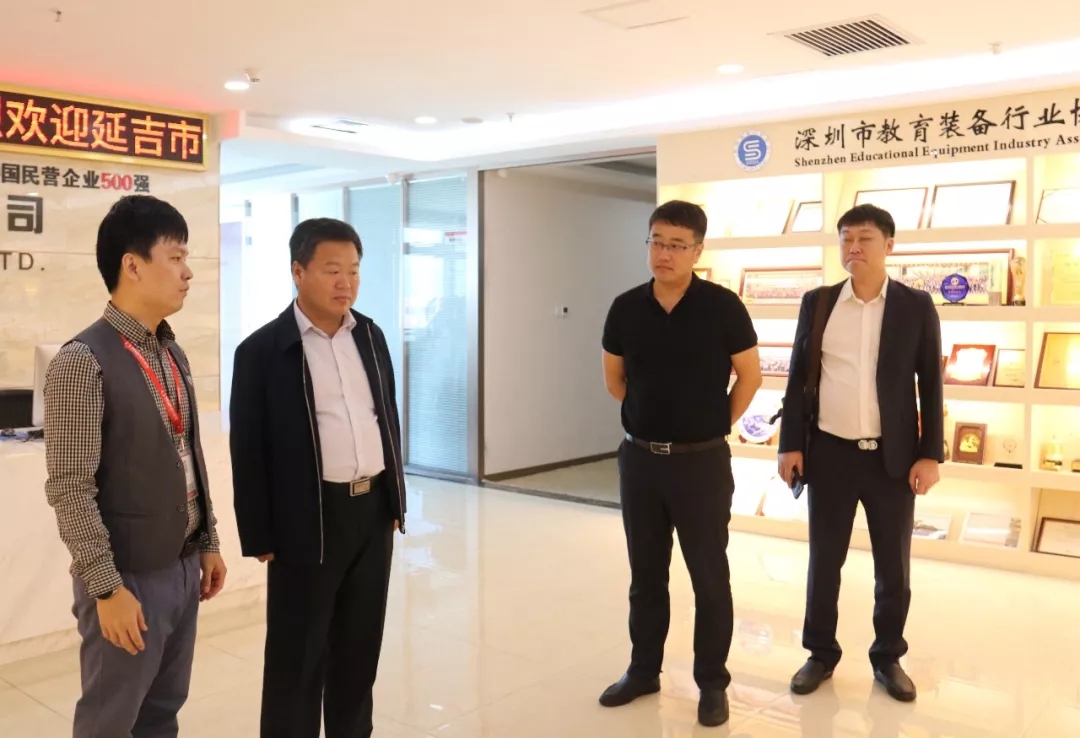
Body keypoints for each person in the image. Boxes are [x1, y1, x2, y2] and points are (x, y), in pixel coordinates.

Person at [43, 195, 227, 738]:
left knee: (162, 712)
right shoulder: (82, 361)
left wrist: (207, 539)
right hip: (127, 577)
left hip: (182, 565)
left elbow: (187, 455)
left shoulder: (172, 353)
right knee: (110, 721)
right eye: (176, 257)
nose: (188, 272)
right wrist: (106, 589)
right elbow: (70, 489)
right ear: (133, 265)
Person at [229, 217, 406, 738]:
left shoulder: (369, 335)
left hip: (371, 513)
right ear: (298, 271)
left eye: (353, 270)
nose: (345, 282)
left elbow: (386, 418)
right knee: (298, 656)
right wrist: (259, 533)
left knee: (359, 649)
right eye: (332, 270)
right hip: (306, 519)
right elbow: (248, 450)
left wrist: (395, 502)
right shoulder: (262, 351)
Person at [599, 200, 763, 727]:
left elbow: (750, 376)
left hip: (701, 464)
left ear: (697, 250)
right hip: (641, 461)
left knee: (709, 577)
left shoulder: (722, 306)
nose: (663, 253)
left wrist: (713, 425)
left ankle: (712, 682)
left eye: (676, 245)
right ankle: (643, 670)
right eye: (656, 241)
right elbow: (615, 381)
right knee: (646, 575)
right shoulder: (626, 307)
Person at [778, 203, 944, 703]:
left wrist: (929, 454)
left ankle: (888, 656)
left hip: (892, 459)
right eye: (846, 238)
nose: (854, 247)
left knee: (893, 566)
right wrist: (790, 444)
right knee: (824, 560)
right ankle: (819, 653)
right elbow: (798, 378)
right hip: (830, 453)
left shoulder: (916, 306)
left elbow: (930, 384)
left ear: (889, 245)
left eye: (865, 238)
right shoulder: (819, 303)